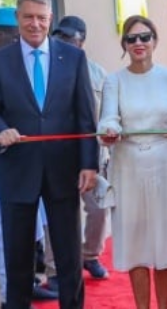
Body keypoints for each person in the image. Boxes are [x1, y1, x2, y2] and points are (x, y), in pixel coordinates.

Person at [0, 0, 99, 309]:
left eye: (41, 18)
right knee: (18, 259)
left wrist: (90, 164)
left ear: (50, 20)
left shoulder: (72, 57)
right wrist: (0, 130)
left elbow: (86, 116)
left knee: (69, 256)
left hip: (64, 171)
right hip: (17, 169)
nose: (35, 24)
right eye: (28, 17)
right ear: (18, 18)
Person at [98, 15, 167, 309]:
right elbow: (108, 118)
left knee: (163, 243)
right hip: (128, 167)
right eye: (132, 38)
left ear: (155, 41)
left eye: (145, 37)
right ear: (124, 44)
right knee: (137, 243)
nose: (138, 43)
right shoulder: (114, 80)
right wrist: (109, 131)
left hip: (165, 166)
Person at [0, 7, 56, 305]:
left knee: (25, 231)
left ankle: (27, 284)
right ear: (4, 34)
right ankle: (10, 297)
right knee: (7, 234)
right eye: (19, 35)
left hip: (21, 162)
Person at [42, 15, 111, 292]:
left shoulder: (97, 73)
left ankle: (90, 255)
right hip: (57, 157)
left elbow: (105, 114)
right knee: (54, 216)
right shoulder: (45, 69)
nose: (65, 42)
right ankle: (55, 269)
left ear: (81, 42)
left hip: (90, 156)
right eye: (60, 37)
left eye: (71, 38)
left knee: (98, 209)